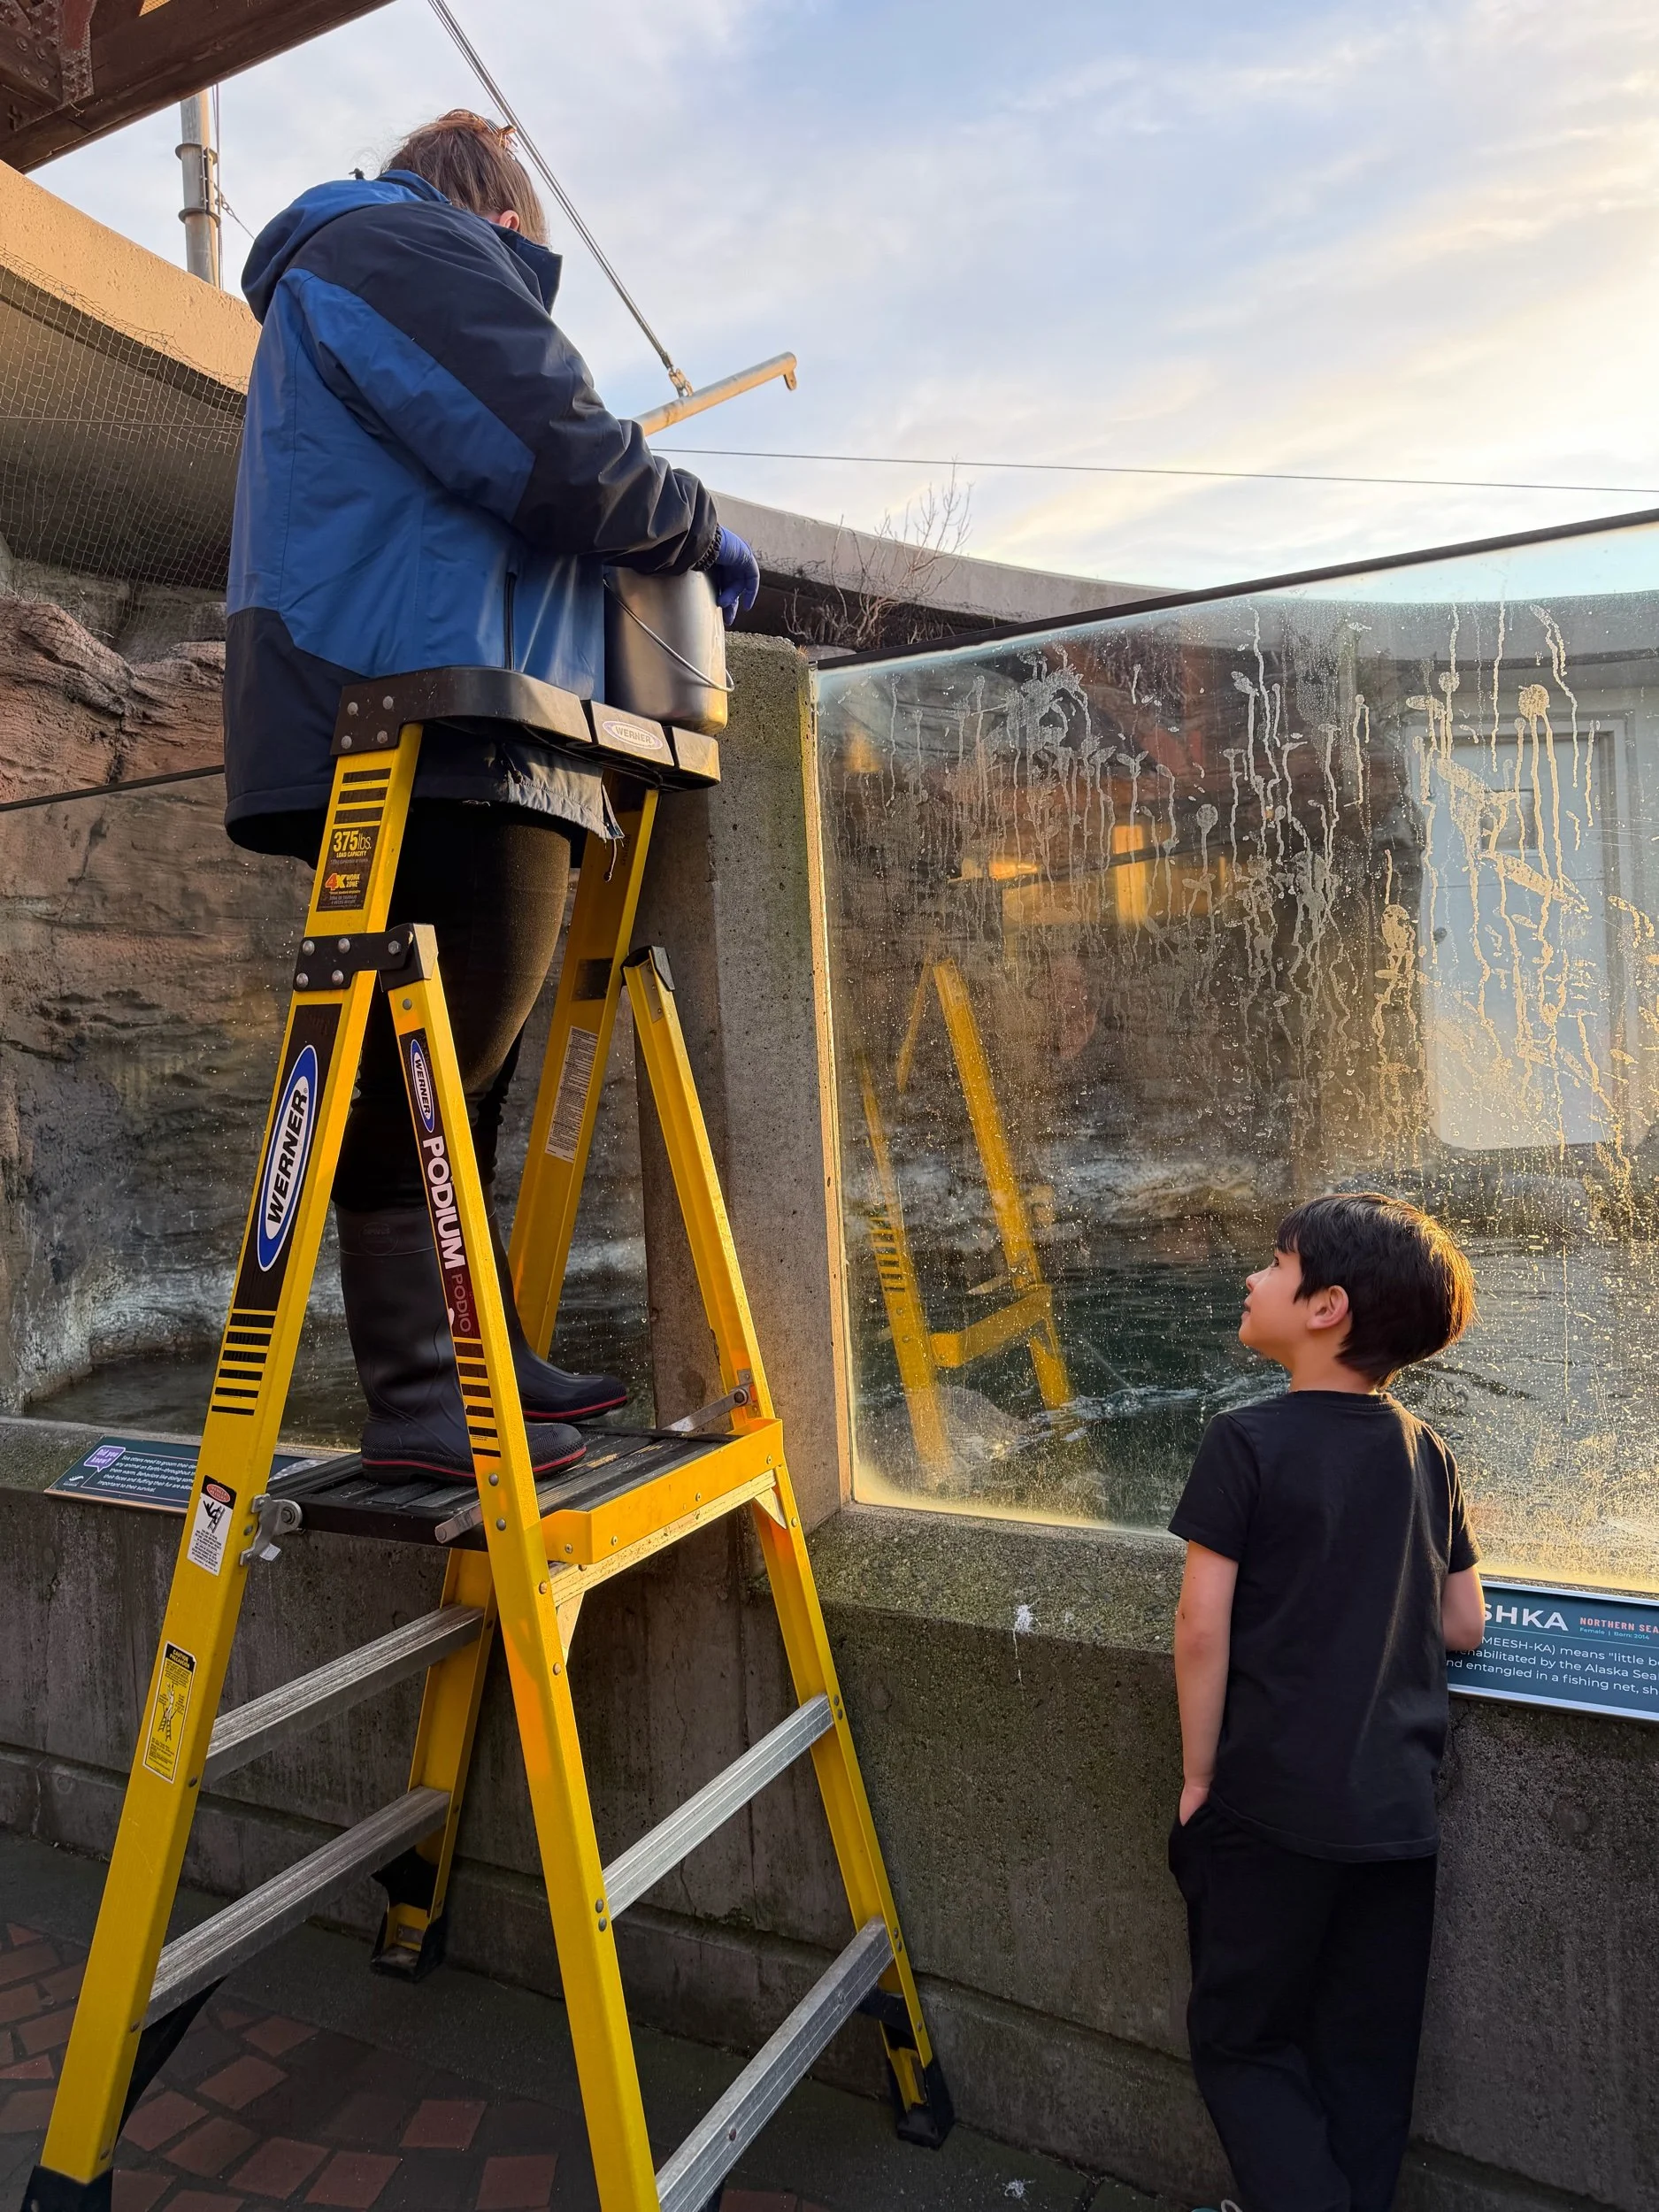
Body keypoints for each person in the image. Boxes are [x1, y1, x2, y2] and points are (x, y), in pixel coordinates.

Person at [222, 110, 759, 1480]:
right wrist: (695, 529)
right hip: (428, 706)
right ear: (501, 216)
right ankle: (422, 1390)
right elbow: (554, 453)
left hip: (433, 699)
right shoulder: (402, 244)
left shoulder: (358, 261)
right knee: (436, 1060)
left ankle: (465, 1364)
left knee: (446, 1061)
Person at [1168, 1193, 1484, 2212]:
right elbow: (1464, 1623)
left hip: (1272, 1809)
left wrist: (1199, 1777)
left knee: (1240, 2037)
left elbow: (1200, 1628)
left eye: (1273, 1262)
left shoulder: (1244, 1443)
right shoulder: (1426, 1450)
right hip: (1397, 1815)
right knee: (1365, 2060)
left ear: (1326, 1306)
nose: (1251, 1279)